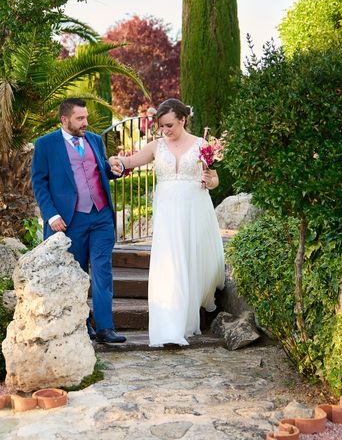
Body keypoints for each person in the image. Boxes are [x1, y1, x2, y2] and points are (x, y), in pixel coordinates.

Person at [109, 98, 225, 347]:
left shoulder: (201, 145)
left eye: (170, 125)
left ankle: (184, 321)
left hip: (194, 210)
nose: (166, 131)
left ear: (182, 120)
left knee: (189, 263)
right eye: (162, 126)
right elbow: (130, 162)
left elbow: (214, 180)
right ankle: (170, 330)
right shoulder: (156, 146)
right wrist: (115, 162)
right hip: (167, 214)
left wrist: (209, 179)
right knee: (169, 267)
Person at [31, 98, 127, 344]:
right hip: (70, 220)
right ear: (64, 119)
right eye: (80, 118)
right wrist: (51, 214)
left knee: (102, 270)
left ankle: (106, 328)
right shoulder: (46, 145)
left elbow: (99, 172)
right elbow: (39, 182)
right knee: (76, 273)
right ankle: (82, 325)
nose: (86, 122)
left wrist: (115, 170)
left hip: (101, 215)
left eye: (86, 117)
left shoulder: (94, 140)